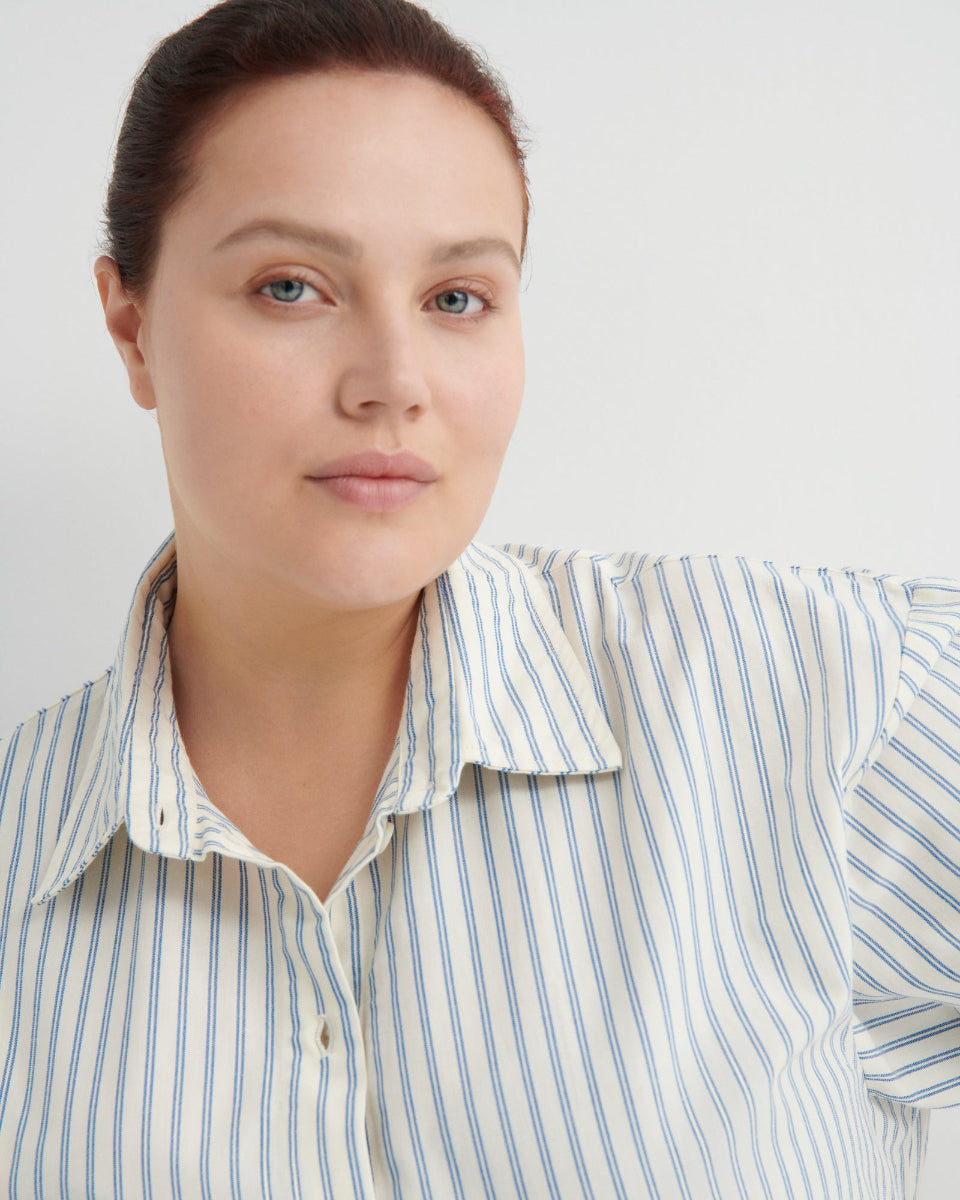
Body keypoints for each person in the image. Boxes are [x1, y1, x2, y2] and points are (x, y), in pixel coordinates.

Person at [0, 0, 958, 1196]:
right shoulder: (15, 858)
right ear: (131, 325)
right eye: (292, 286)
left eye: (457, 299)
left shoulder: (815, 702)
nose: (393, 385)